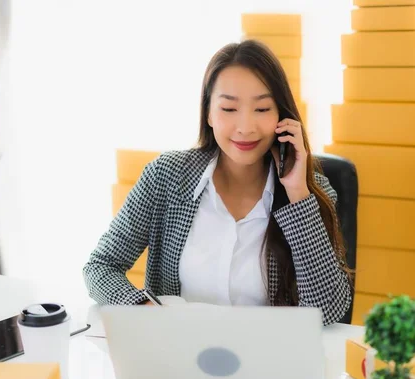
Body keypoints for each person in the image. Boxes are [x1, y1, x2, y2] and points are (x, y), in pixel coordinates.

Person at [83, 40, 352, 325]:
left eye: (262, 109)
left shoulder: (311, 192)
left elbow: (327, 313)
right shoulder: (167, 176)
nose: (245, 127)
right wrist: (144, 309)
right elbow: (101, 266)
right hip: (177, 358)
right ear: (209, 113)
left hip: (268, 362)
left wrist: (298, 193)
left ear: (281, 117)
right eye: (229, 109)